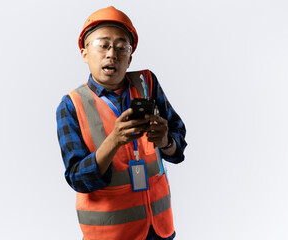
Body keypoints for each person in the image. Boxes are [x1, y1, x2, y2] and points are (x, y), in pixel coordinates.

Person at [56, 6, 187, 240]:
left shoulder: (146, 83)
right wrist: (113, 141)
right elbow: (77, 178)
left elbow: (179, 144)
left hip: (159, 229)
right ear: (85, 53)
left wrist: (166, 141)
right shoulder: (71, 105)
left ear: (130, 57)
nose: (112, 54)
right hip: (110, 234)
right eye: (103, 45)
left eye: (121, 47)